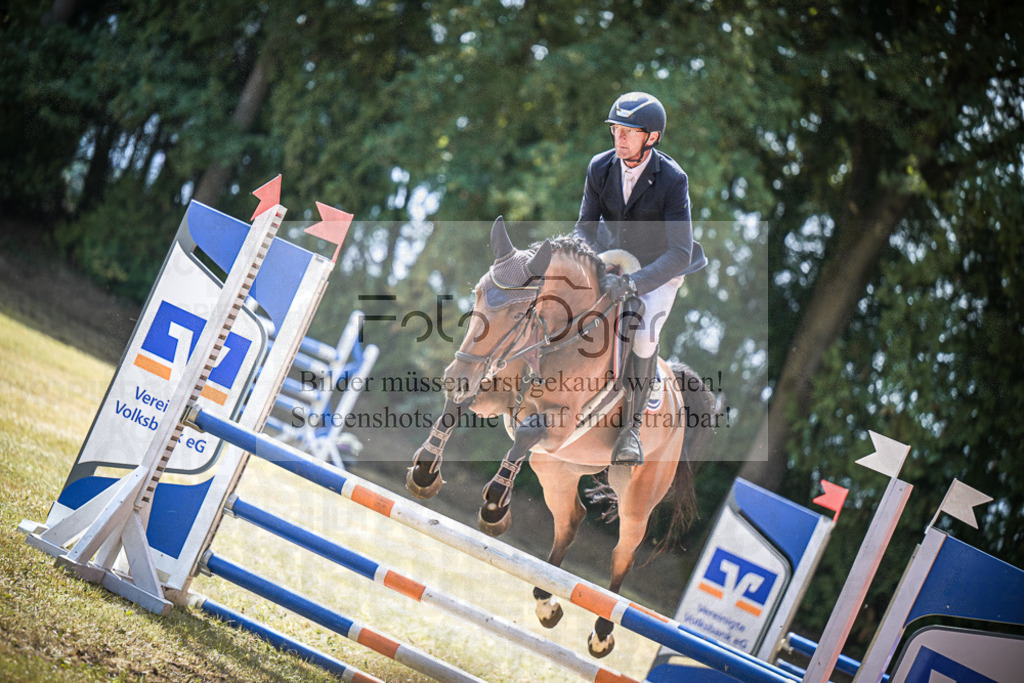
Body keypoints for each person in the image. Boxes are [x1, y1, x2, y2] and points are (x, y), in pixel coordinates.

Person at [573, 91, 698, 466]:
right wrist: (591, 264)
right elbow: (584, 227)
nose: (619, 138)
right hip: (612, 260)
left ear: (652, 137)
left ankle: (630, 430)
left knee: (642, 334)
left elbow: (681, 252)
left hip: (659, 270)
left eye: (629, 131)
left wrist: (633, 284)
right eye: (615, 129)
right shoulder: (600, 167)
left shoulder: (672, 180)